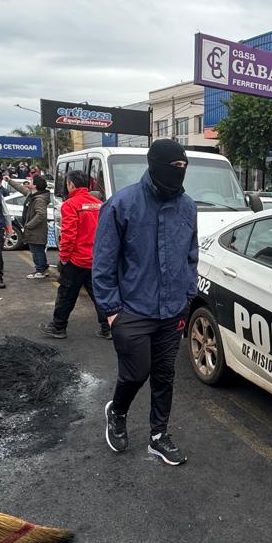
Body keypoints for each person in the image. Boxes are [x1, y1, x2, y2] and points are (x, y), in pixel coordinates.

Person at [95, 139, 198, 466]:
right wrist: (112, 311)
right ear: (154, 165)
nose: (179, 173)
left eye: (183, 168)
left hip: (172, 311)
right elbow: (104, 264)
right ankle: (118, 411)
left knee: (164, 375)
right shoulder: (122, 204)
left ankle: (158, 436)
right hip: (133, 311)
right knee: (136, 372)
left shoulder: (188, 207)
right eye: (174, 167)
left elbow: (191, 256)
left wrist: (187, 295)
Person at [41, 170, 109, 340]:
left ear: (71, 184)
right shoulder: (99, 204)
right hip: (95, 260)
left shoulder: (70, 205)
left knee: (66, 294)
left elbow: (68, 235)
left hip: (76, 261)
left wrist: (64, 258)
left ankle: (58, 327)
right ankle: (108, 328)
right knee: (99, 295)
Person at [17, 174, 52, 278]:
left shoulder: (39, 199)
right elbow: (21, 189)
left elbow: (40, 215)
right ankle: (42, 269)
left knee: (37, 251)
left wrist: (29, 225)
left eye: (31, 181)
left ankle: (40, 270)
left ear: (35, 185)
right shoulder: (33, 195)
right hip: (34, 230)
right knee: (36, 250)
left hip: (37, 231)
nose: (29, 182)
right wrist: (9, 180)